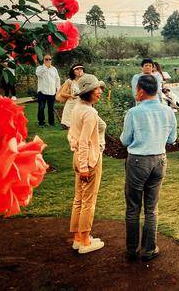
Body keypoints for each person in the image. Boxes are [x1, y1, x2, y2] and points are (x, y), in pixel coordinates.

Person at [120, 74, 177, 262]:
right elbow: (171, 139)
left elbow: (125, 140)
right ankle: (148, 249)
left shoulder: (134, 112)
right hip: (159, 159)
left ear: (141, 91)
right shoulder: (168, 111)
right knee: (151, 208)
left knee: (133, 208)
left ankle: (131, 249)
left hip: (138, 161)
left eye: (136, 89)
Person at [68, 73, 106, 254]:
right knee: (88, 202)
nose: (99, 92)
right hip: (89, 160)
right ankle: (85, 241)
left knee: (79, 199)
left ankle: (77, 238)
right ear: (87, 92)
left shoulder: (77, 108)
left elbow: (72, 135)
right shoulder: (90, 113)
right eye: (96, 89)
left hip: (78, 157)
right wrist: (84, 167)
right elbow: (84, 142)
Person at [36, 54, 60, 127]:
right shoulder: (40, 68)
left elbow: (57, 79)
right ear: (43, 60)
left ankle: (51, 123)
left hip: (52, 92)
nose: (48, 60)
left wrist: (58, 89)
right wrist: (45, 67)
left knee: (51, 108)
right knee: (41, 108)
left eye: (49, 59)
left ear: (51, 60)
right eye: (46, 59)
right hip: (42, 92)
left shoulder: (54, 69)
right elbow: (38, 74)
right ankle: (41, 123)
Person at [60, 64, 84, 129]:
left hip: (81, 105)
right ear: (73, 71)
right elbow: (62, 93)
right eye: (77, 69)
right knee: (71, 125)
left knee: (80, 125)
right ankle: (71, 138)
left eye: (81, 69)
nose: (79, 70)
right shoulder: (69, 81)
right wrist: (71, 95)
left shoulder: (84, 81)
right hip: (71, 106)